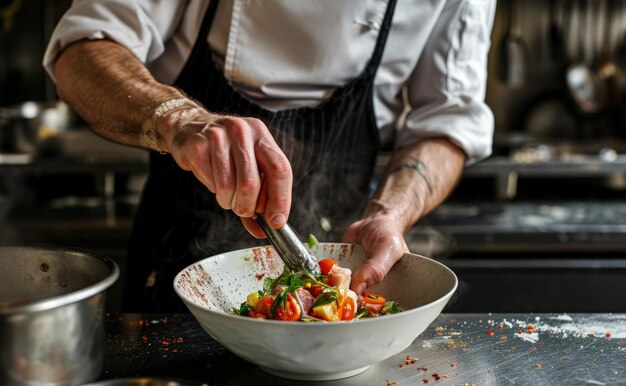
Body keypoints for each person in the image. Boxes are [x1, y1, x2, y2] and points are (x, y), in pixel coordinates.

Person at [44, 0, 496, 312]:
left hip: (347, 256)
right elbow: (80, 52)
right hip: (172, 273)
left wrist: (390, 215)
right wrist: (179, 120)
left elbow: (447, 122)